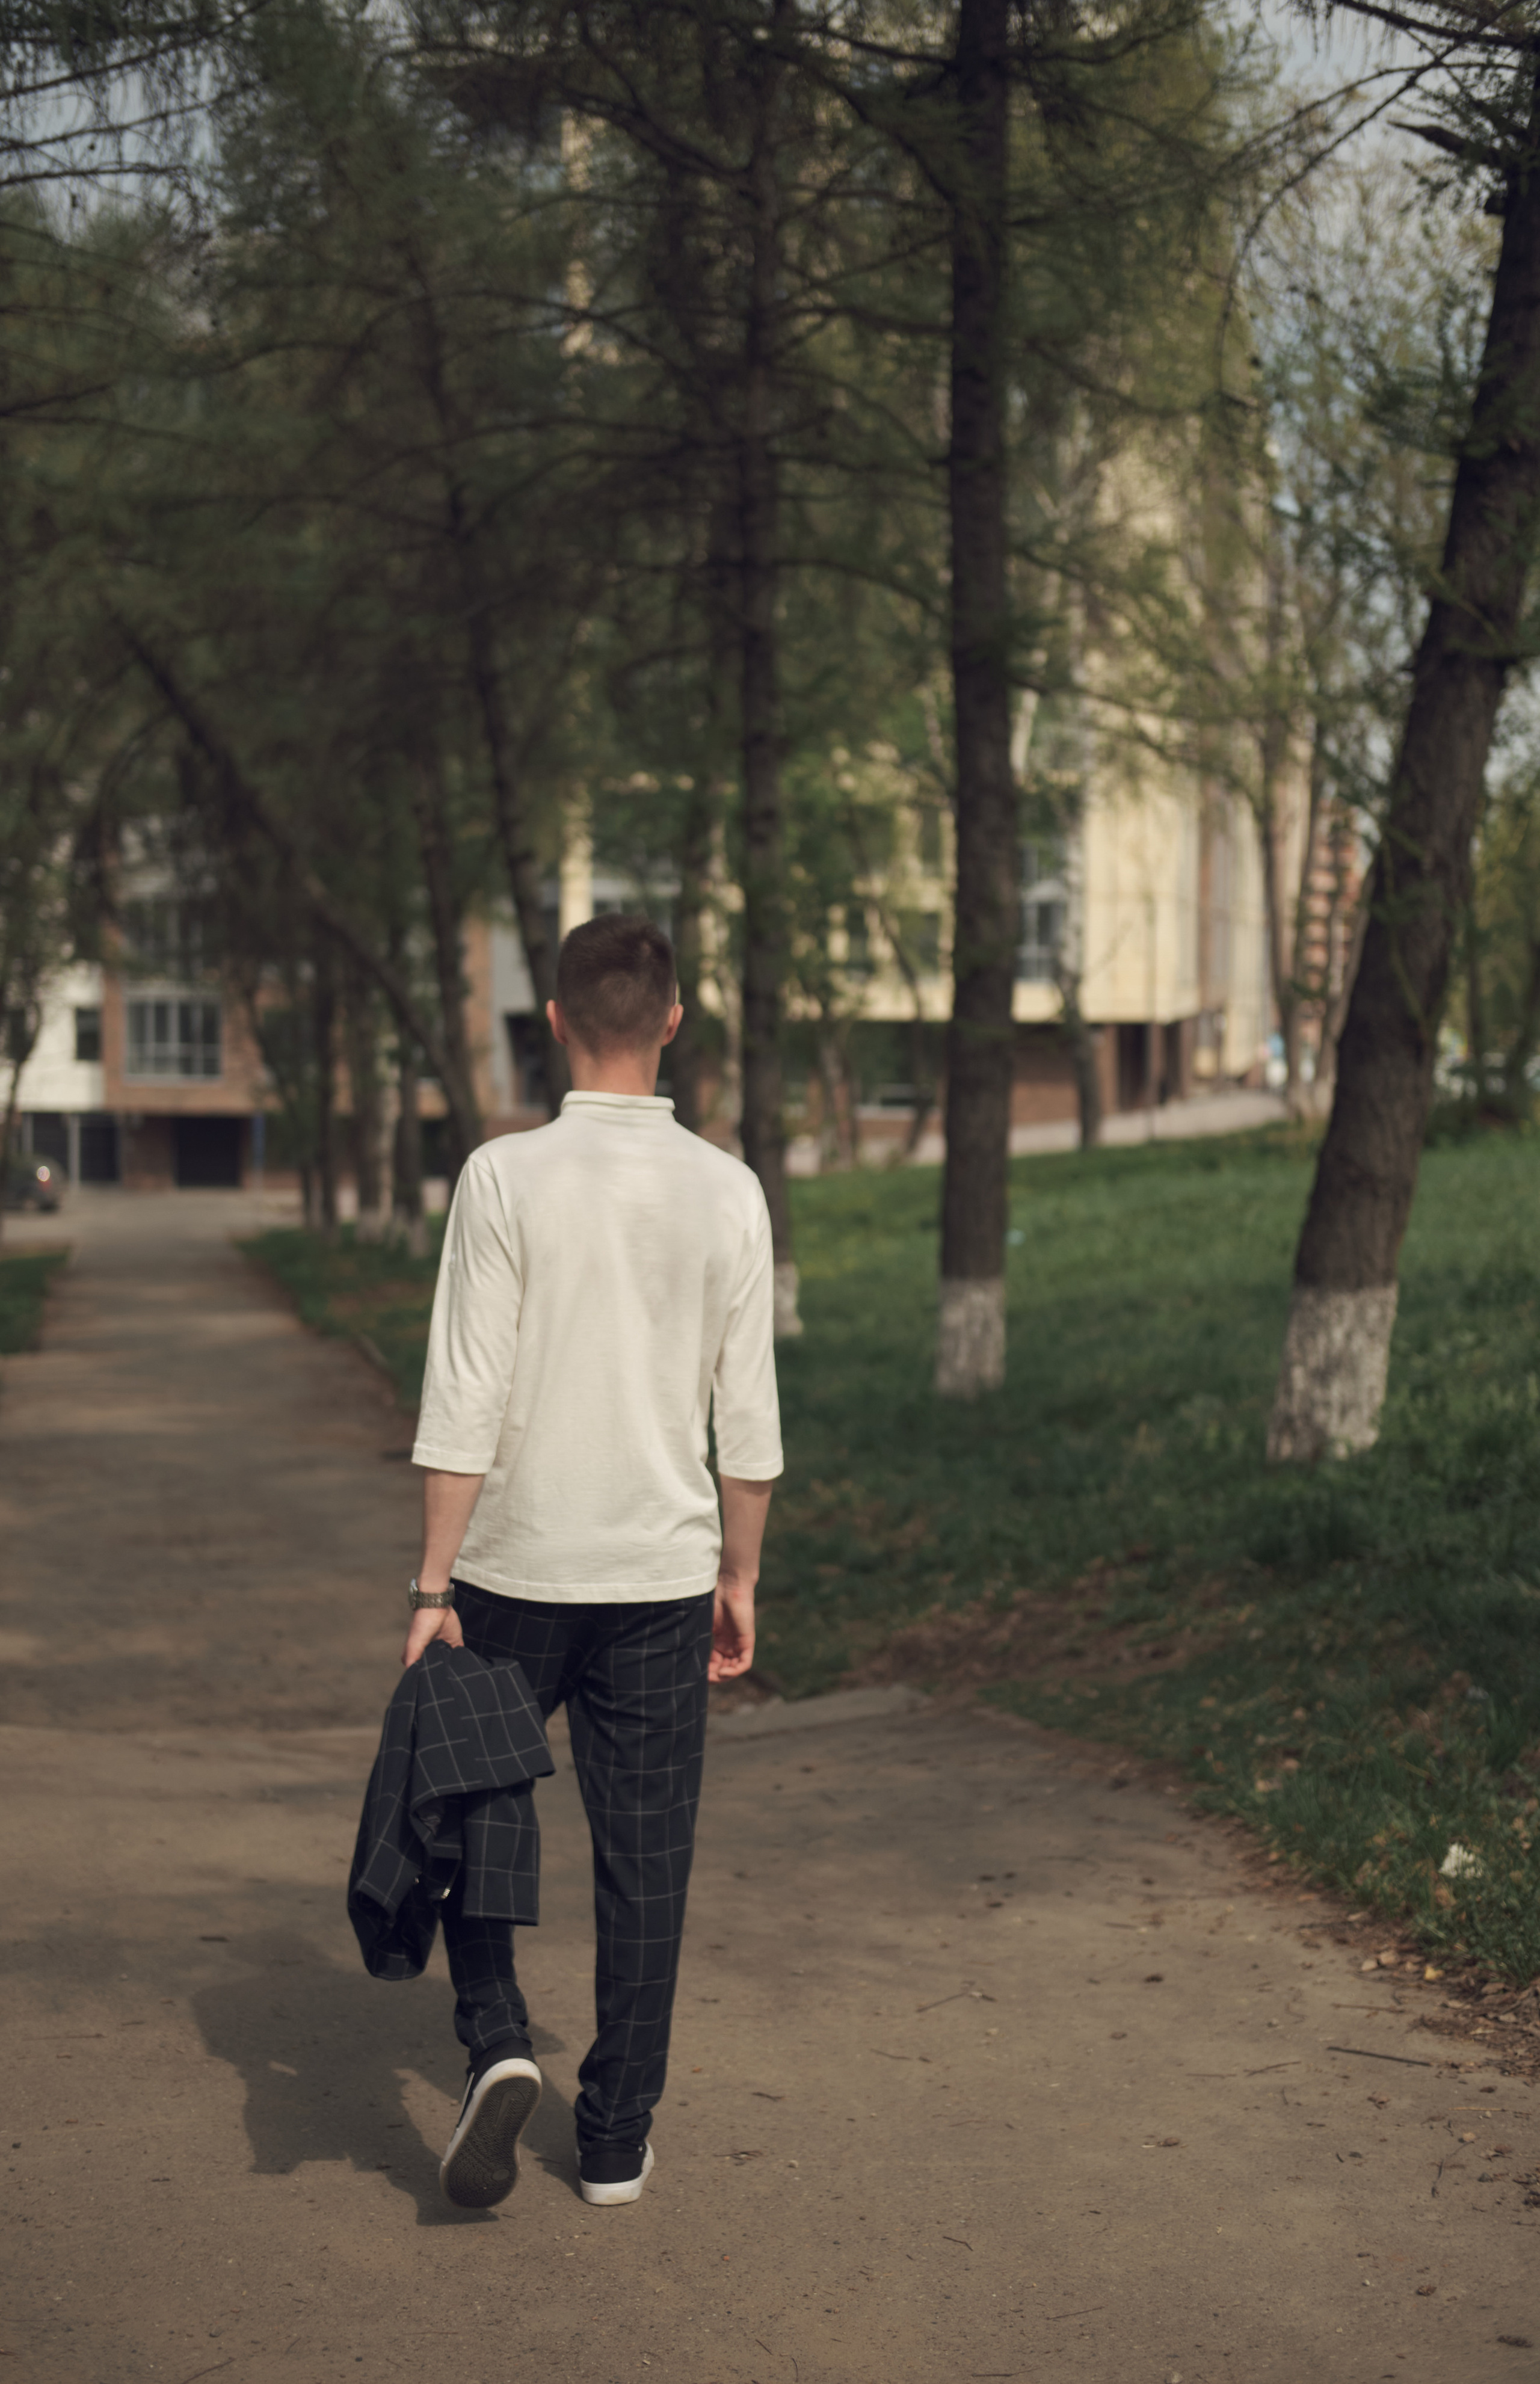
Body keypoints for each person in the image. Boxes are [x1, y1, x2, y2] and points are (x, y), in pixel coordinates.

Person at [402, 913, 783, 2212]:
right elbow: (749, 1423)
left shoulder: (503, 1178)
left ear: (555, 1021)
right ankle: (614, 2136)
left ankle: (498, 2039)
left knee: (473, 1815)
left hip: (511, 1568)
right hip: (661, 1580)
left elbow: (463, 1396)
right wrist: (738, 1575)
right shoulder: (728, 1190)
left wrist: (432, 1587)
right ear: (671, 1022)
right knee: (645, 1858)